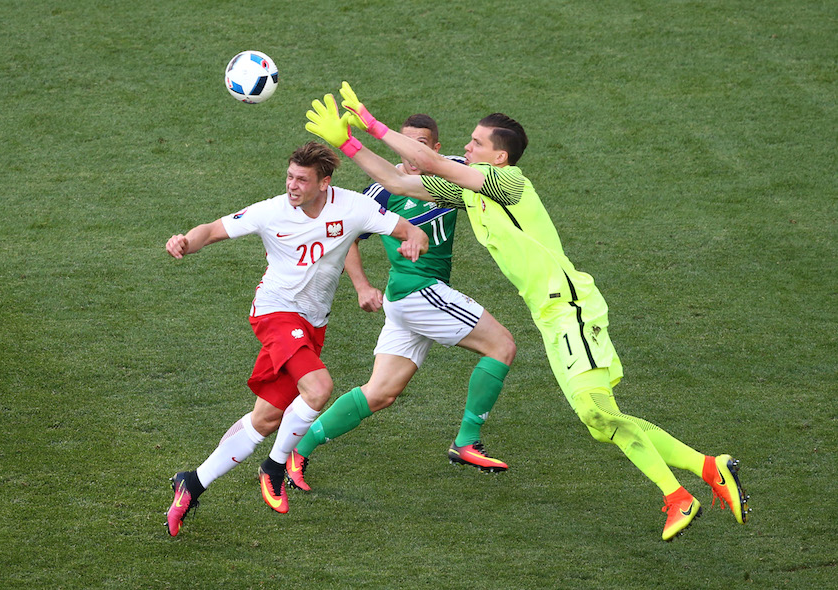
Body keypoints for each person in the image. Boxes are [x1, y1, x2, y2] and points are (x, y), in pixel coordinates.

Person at [303, 84, 751, 542]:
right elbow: (399, 182)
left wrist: (371, 122)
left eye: (477, 143)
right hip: (552, 317)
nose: (466, 146)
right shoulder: (469, 193)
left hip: (570, 309)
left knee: (598, 414)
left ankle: (680, 495)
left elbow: (433, 162)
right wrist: (347, 142)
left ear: (498, 158)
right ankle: (710, 468)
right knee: (599, 421)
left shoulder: (509, 183)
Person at [163, 141, 428, 535]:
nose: (292, 186)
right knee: (319, 388)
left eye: (302, 179)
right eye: (289, 176)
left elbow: (408, 229)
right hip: (274, 312)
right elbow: (215, 230)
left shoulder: (353, 207)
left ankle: (193, 482)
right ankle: (273, 468)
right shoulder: (272, 211)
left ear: (325, 182)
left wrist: (415, 240)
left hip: (312, 324)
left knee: (265, 420)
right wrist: (187, 239)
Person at [284, 115, 516, 493]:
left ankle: (296, 451)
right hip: (418, 292)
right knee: (502, 345)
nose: (410, 153)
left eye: (421, 144)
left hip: (406, 300)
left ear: (436, 149)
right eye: (403, 143)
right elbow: (346, 237)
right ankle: (466, 442)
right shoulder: (383, 191)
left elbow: (490, 171)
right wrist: (361, 286)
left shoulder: (453, 171)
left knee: (380, 393)